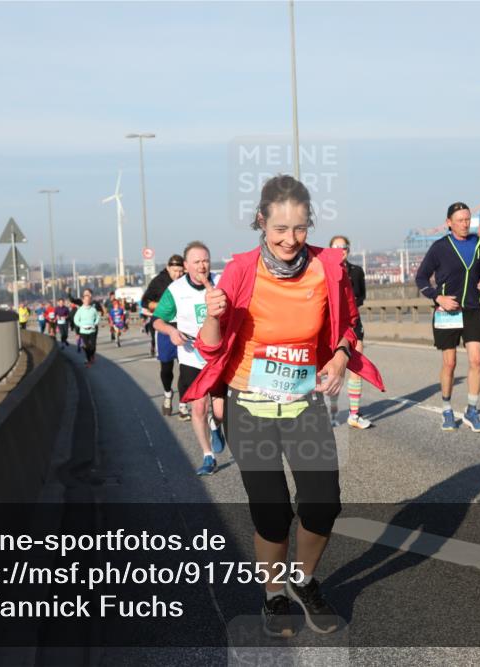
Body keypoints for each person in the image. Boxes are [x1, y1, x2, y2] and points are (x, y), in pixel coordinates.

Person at [184, 175, 384, 637]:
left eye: (300, 228)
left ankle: (304, 581)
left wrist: (337, 357)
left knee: (322, 504)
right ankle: (274, 597)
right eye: (280, 230)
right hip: (248, 407)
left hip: (304, 402)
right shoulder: (240, 271)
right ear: (261, 222)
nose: (291, 239)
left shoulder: (328, 268)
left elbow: (350, 326)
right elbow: (212, 350)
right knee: (272, 512)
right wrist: (214, 315)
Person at [414, 202, 480, 433]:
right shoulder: (440, 247)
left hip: (472, 309)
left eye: (468, 219)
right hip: (448, 312)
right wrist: (439, 298)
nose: (465, 224)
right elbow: (421, 278)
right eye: (460, 220)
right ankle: (447, 408)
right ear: (449, 223)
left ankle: (472, 411)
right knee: (450, 363)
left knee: (476, 360)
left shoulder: (478, 243)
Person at [153, 242, 227, 473]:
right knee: (198, 408)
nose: (202, 266)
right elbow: (157, 320)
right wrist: (172, 331)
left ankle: (216, 426)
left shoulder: (221, 281)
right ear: (186, 266)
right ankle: (208, 456)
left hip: (218, 355)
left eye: (205, 260)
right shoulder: (175, 290)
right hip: (191, 354)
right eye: (196, 262)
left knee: (219, 412)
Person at [328, 235, 373, 429]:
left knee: (357, 366)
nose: (340, 250)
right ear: (329, 249)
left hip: (353, 323)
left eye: (344, 247)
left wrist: (350, 302)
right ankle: (331, 415)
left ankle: (354, 414)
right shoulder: (323, 270)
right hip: (330, 324)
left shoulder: (356, 271)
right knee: (331, 370)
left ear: (349, 249)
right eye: (336, 247)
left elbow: (362, 296)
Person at [143, 255, 186, 413]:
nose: (178, 274)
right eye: (175, 271)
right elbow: (145, 302)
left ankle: (183, 405)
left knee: (185, 370)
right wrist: (160, 305)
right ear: (168, 268)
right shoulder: (158, 282)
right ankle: (168, 394)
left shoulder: (187, 281)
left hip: (184, 331)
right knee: (167, 369)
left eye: (181, 271)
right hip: (164, 330)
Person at [74, 291, 102, 367]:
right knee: (86, 346)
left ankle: (91, 356)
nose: (87, 301)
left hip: (92, 330)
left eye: (88, 300)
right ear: (83, 300)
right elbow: (76, 319)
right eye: (85, 300)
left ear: (90, 301)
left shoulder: (93, 309)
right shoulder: (80, 310)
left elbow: (98, 317)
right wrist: (81, 325)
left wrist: (95, 324)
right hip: (83, 331)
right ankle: (88, 360)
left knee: (92, 346)